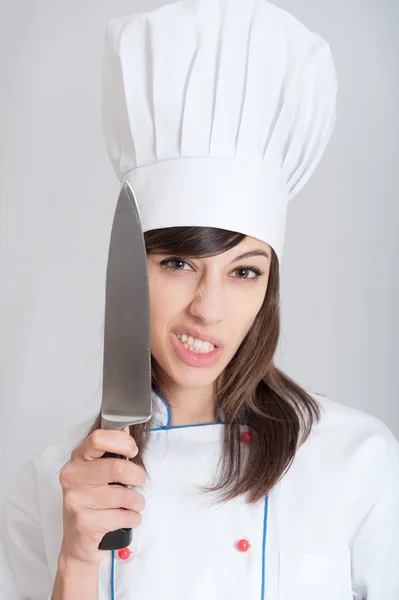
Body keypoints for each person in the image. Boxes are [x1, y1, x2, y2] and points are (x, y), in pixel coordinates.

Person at [1, 0, 398, 598]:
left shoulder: (356, 460)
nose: (209, 311)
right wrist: (77, 563)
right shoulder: (50, 482)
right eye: (180, 263)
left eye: (244, 272)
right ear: (130, 273)